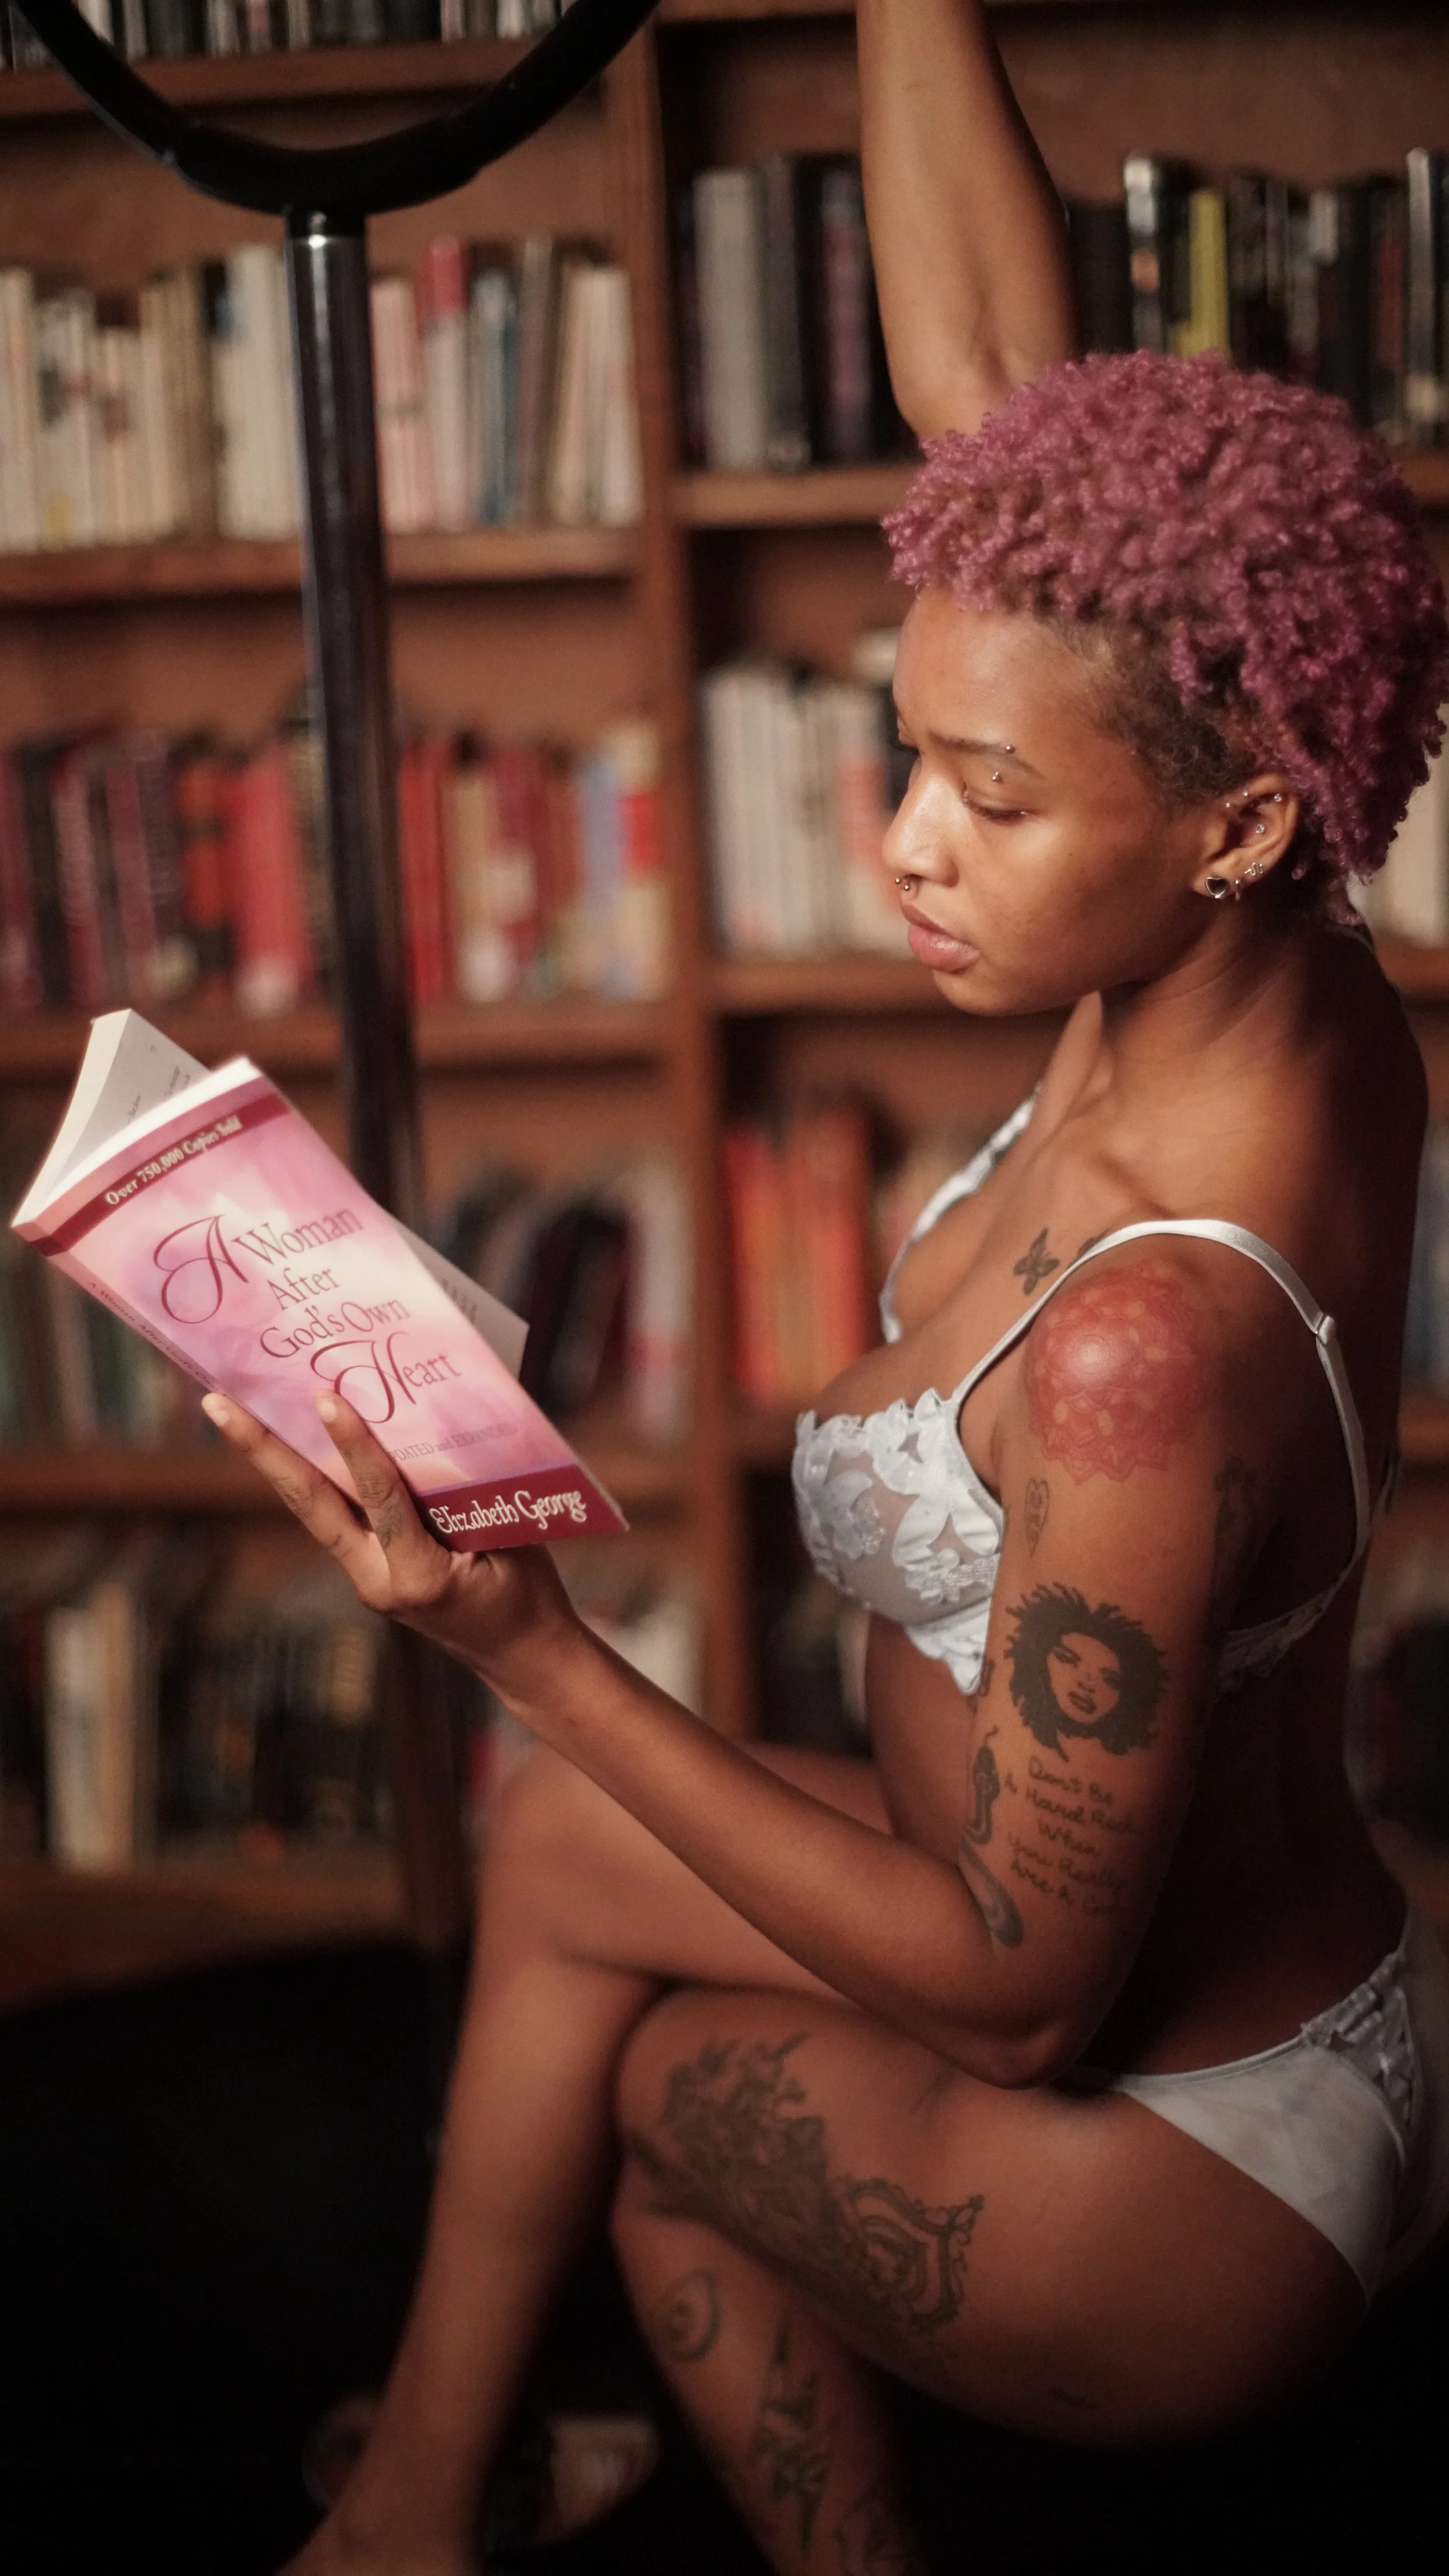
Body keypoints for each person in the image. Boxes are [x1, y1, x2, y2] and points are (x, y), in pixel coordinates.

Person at [221, 6, 1449, 2569]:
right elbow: (1014, 424)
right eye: (908, 749)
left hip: (1182, 2138)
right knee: (568, 1862)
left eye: (987, 799)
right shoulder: (1253, 887)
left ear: (1233, 816)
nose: (900, 846)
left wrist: (527, 1646)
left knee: (651, 2099)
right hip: (1140, 1943)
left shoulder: (1148, 1341)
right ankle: (435, 2497)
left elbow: (1021, 1990)